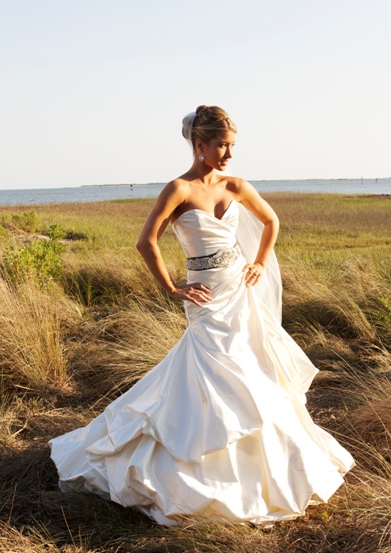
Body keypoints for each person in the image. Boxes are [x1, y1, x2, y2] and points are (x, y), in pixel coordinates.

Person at [49, 105, 354, 526]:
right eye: (220, 146)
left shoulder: (236, 184)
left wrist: (260, 263)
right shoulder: (178, 190)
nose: (228, 154)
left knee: (252, 373)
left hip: (239, 292)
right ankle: (191, 465)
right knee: (213, 372)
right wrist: (173, 287)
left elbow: (271, 221)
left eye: (232, 146)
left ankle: (262, 474)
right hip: (205, 297)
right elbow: (146, 243)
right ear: (199, 145)